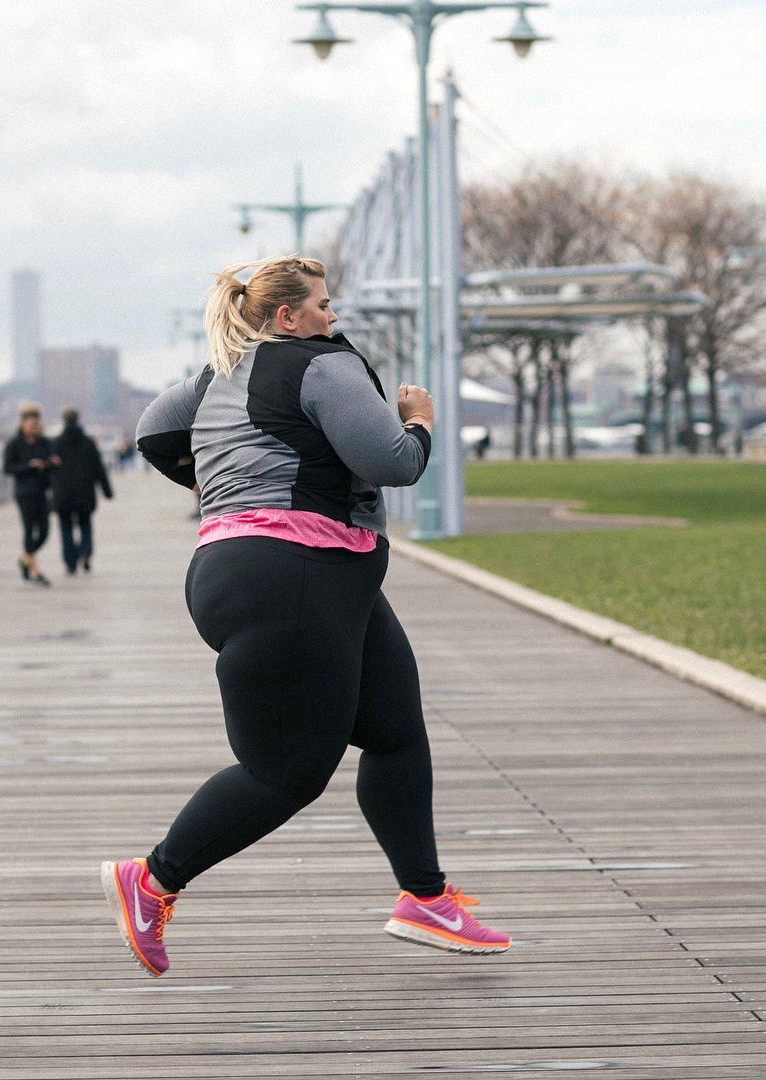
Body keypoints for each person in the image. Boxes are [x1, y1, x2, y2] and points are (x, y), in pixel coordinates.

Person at [101, 255, 509, 977]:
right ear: (287, 318)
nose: (333, 315)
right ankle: (154, 879)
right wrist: (419, 421)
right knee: (285, 772)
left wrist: (222, 482)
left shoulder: (217, 376)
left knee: (395, 734)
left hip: (285, 575)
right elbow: (392, 462)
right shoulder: (323, 365)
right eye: (322, 304)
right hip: (294, 578)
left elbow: (155, 433)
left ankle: (425, 897)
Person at [49, 408, 114, 575]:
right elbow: (98, 468)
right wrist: (107, 491)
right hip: (84, 492)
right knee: (85, 524)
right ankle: (85, 552)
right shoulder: (88, 442)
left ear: (63, 420)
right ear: (78, 419)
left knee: (65, 528)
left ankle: (70, 562)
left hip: (62, 494)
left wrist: (47, 491)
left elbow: (49, 469)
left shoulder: (55, 443)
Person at [2, 403, 57, 585]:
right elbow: (8, 468)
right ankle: (34, 570)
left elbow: (53, 460)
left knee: (43, 532)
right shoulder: (13, 444)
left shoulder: (45, 442)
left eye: (36, 423)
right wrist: (29, 466)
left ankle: (25, 559)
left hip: (42, 491)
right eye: (30, 423)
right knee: (28, 529)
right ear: (23, 423)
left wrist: (49, 463)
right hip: (24, 492)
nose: (33, 427)